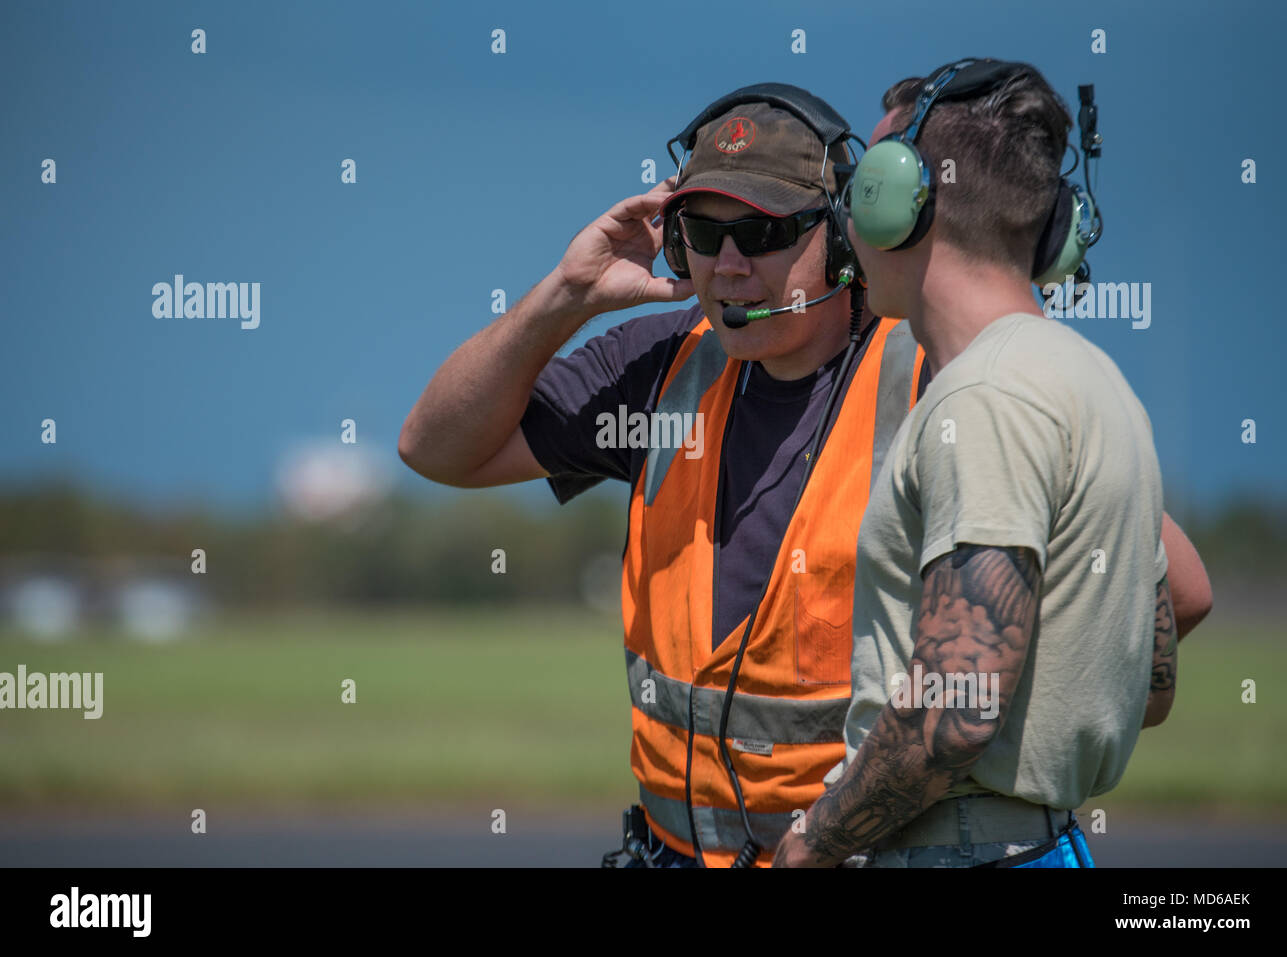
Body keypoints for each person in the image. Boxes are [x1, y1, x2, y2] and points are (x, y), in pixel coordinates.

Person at [399, 81, 1212, 868]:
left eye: (761, 234)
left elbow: (1170, 585)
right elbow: (434, 447)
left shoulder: (950, 377)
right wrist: (565, 296)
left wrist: (975, 728)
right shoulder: (662, 366)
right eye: (702, 234)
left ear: (845, 228)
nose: (728, 265)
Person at [772, 60, 1211, 869]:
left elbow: (957, 708)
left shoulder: (982, 400)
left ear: (899, 199)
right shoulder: (1102, 388)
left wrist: (810, 843)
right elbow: (1151, 685)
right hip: (1044, 841)